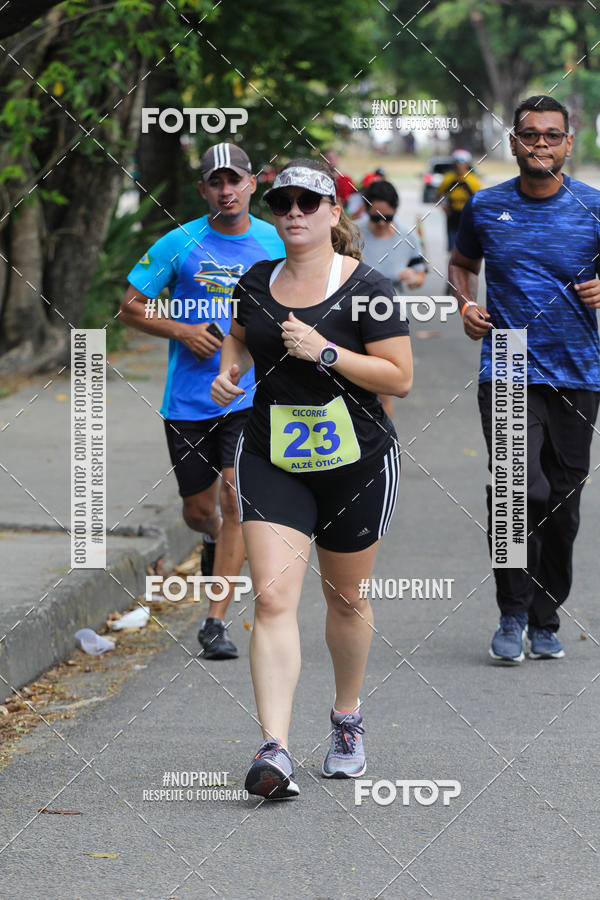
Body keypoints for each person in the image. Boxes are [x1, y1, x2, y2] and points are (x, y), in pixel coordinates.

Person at [211, 158, 413, 798]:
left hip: (355, 463)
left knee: (347, 599)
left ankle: (347, 717)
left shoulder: (370, 286)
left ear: (333, 212)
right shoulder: (255, 280)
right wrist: (230, 370)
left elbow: (400, 379)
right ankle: (274, 749)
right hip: (273, 454)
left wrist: (325, 351)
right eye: (283, 203)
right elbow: (241, 336)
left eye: (307, 202)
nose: (293, 213)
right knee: (271, 599)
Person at [119, 142, 285, 660]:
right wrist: (183, 331)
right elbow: (129, 307)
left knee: (236, 499)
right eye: (216, 182)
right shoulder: (179, 242)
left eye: (235, 180)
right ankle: (214, 541)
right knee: (198, 510)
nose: (226, 190)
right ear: (204, 190)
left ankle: (215, 622)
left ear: (252, 183)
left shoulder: (276, 241)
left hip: (248, 396)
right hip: (188, 401)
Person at [449, 95, 600, 663]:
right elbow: (463, 266)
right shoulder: (486, 208)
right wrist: (465, 306)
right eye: (529, 134)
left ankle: (546, 617)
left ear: (568, 143)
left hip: (580, 367)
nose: (540, 143)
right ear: (512, 142)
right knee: (518, 492)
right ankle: (512, 613)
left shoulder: (594, 206)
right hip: (508, 359)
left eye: (551, 135)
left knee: (563, 501)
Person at [358, 179, 427, 418]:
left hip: (388, 318)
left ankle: (383, 441)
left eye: (386, 218)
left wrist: (413, 277)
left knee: (383, 388)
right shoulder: (352, 232)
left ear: (395, 211)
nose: (379, 224)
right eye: (374, 217)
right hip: (352, 314)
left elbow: (420, 274)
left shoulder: (407, 235)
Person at [437, 148, 482, 250]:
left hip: (467, 216)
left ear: (467, 163)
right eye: (457, 162)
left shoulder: (474, 181)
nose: (459, 165)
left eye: (462, 162)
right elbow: (438, 195)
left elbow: (480, 201)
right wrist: (444, 207)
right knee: (452, 248)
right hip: (452, 216)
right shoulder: (448, 179)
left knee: (468, 247)